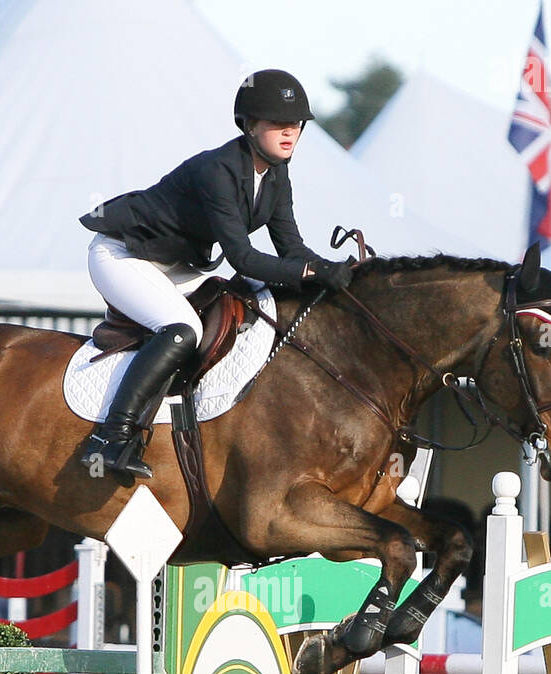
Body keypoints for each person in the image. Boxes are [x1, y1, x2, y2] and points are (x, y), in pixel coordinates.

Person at [78, 69, 356, 479]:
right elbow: (242, 257)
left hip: (171, 265)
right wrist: (314, 270)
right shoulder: (218, 170)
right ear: (249, 125)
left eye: (296, 125)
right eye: (278, 124)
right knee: (181, 329)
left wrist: (338, 272)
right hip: (122, 253)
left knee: (246, 301)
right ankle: (111, 437)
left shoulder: (276, 175)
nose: (290, 133)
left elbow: (292, 250)